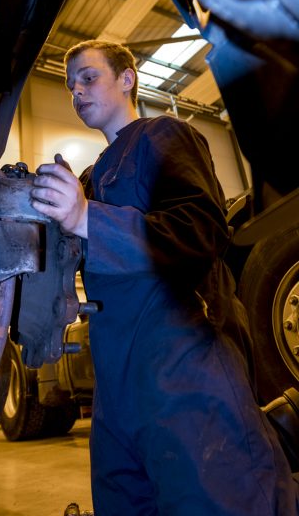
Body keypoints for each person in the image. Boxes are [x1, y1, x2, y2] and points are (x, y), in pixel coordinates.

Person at [31, 39, 298, 515]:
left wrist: (88, 218)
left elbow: (201, 231)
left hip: (184, 365)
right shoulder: (91, 176)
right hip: (114, 384)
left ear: (127, 78)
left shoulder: (166, 136)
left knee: (218, 497)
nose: (76, 91)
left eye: (88, 78)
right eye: (71, 85)